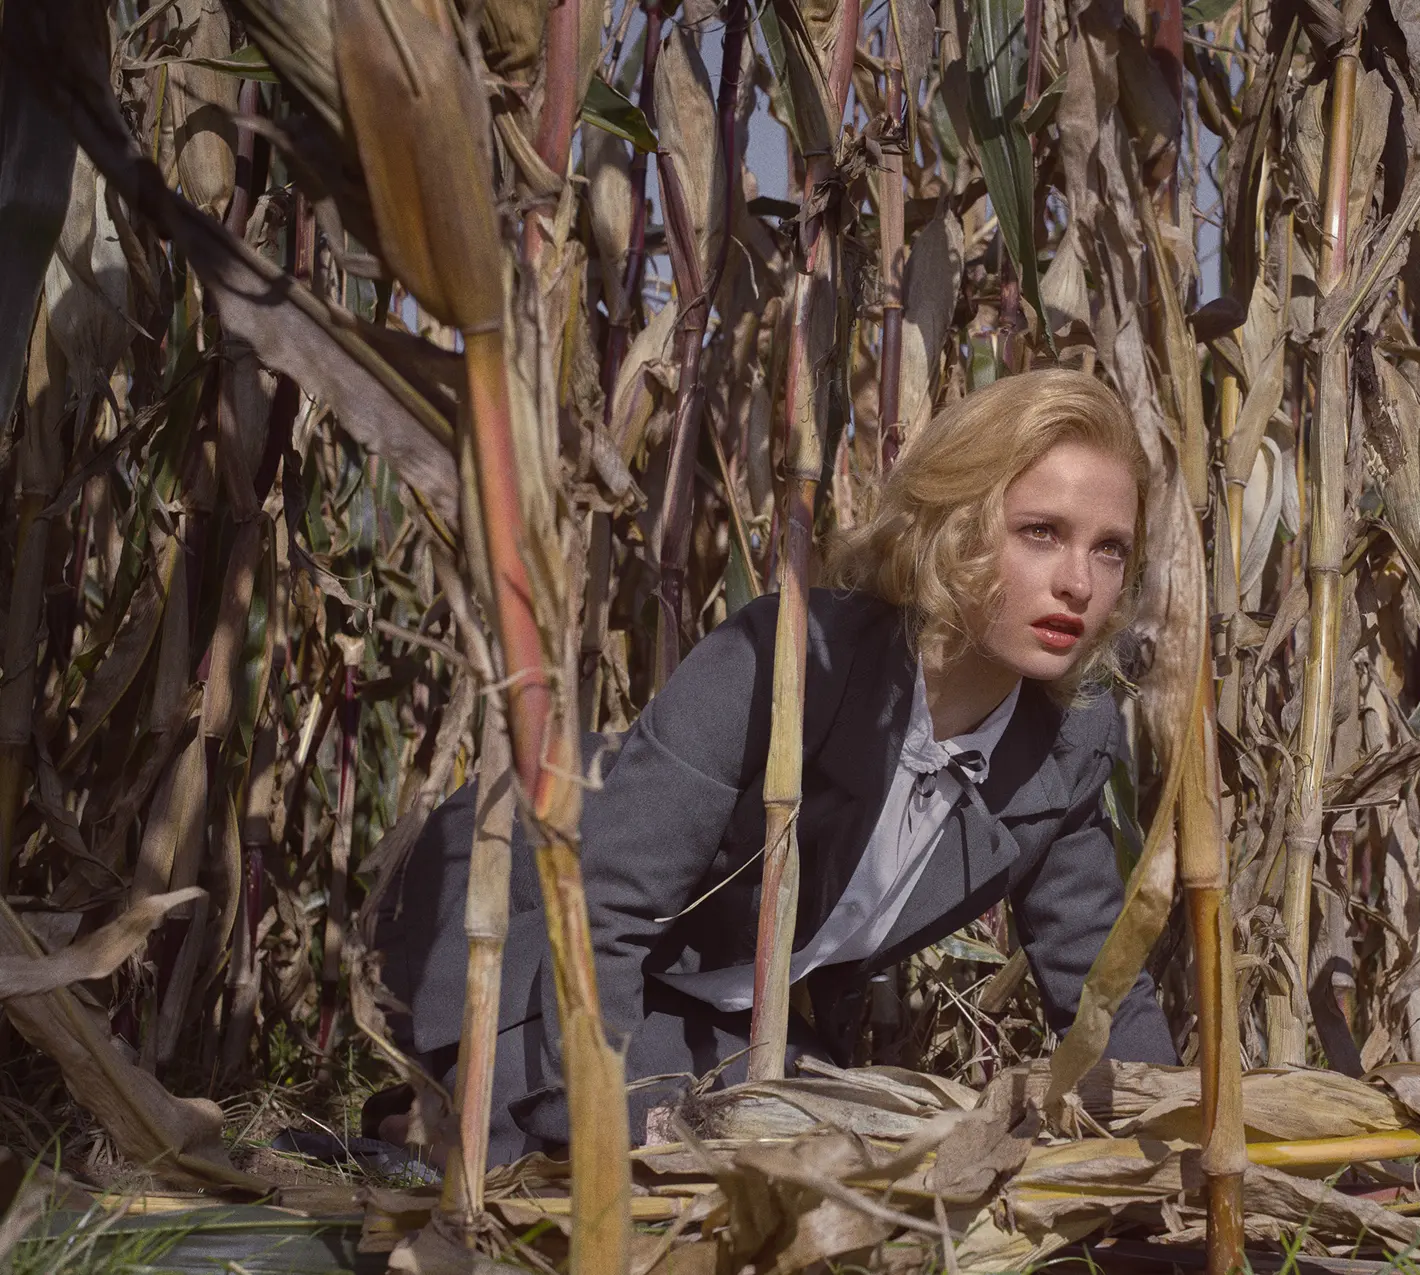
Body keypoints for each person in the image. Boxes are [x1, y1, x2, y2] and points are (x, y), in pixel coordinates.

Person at [377, 367, 1178, 1164]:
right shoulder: (792, 658)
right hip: (524, 935)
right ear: (956, 523)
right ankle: (451, 1110)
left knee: (848, 1146)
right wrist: (600, 1132)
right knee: (681, 1146)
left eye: (1110, 550)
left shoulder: (1069, 737)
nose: (1079, 582)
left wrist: (1177, 1144)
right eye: (1041, 531)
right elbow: (599, 913)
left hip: (710, 1011)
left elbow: (1102, 986)